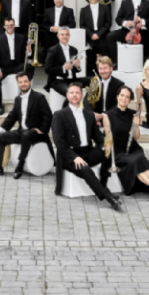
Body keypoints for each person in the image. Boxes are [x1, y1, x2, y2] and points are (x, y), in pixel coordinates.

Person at [51, 81, 122, 211]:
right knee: (85, 169)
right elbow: (59, 143)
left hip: (87, 152)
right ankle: (109, 197)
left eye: (77, 93)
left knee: (107, 151)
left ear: (82, 95)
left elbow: (98, 137)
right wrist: (74, 157)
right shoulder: (59, 115)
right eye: (71, 93)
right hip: (69, 156)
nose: (74, 95)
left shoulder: (89, 115)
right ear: (67, 95)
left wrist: (104, 145)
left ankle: (103, 186)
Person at [103, 86, 149, 202]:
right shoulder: (107, 115)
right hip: (118, 152)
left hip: (132, 148)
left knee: (139, 158)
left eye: (127, 97)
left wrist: (137, 125)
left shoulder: (133, 114)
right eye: (122, 95)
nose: (124, 98)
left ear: (130, 100)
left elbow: (136, 137)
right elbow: (108, 137)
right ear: (117, 97)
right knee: (136, 161)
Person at [0, 71, 53, 178]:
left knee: (26, 135)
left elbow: (48, 116)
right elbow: (12, 116)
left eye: (25, 81)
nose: (23, 84)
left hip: (35, 133)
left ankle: (20, 165)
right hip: (22, 132)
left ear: (30, 82)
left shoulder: (39, 97)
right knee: (0, 137)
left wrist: (42, 130)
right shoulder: (18, 99)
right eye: (20, 82)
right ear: (18, 84)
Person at [0, 17, 33, 115]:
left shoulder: (21, 38)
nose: (10, 27)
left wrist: (29, 52)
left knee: (30, 68)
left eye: (11, 25)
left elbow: (25, 54)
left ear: (14, 26)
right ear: (4, 26)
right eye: (7, 25)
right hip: (4, 67)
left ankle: (26, 97)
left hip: (17, 65)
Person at [106, 0, 149, 66]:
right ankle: (116, 62)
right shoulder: (125, 2)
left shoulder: (148, 3)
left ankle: (142, 64)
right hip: (127, 31)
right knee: (110, 36)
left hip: (141, 32)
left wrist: (142, 21)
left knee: (143, 57)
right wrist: (125, 23)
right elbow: (118, 19)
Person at [44, 27, 81, 102]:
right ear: (58, 36)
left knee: (92, 80)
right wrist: (63, 68)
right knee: (71, 94)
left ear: (69, 36)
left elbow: (75, 70)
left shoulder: (74, 50)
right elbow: (47, 69)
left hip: (72, 80)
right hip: (58, 81)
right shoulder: (52, 50)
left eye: (67, 34)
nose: (65, 36)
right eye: (62, 34)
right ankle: (66, 109)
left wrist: (78, 66)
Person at [79, 0, 110, 76]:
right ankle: (91, 81)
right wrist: (91, 34)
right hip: (90, 40)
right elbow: (82, 25)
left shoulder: (105, 8)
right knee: (91, 63)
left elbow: (108, 23)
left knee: (105, 62)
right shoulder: (83, 10)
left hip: (103, 38)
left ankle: (105, 80)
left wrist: (99, 34)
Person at [84, 57, 124, 124]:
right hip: (96, 116)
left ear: (111, 68)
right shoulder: (95, 82)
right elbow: (86, 101)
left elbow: (119, 105)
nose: (103, 71)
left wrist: (103, 116)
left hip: (112, 117)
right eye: (100, 68)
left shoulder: (119, 84)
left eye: (105, 68)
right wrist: (93, 116)